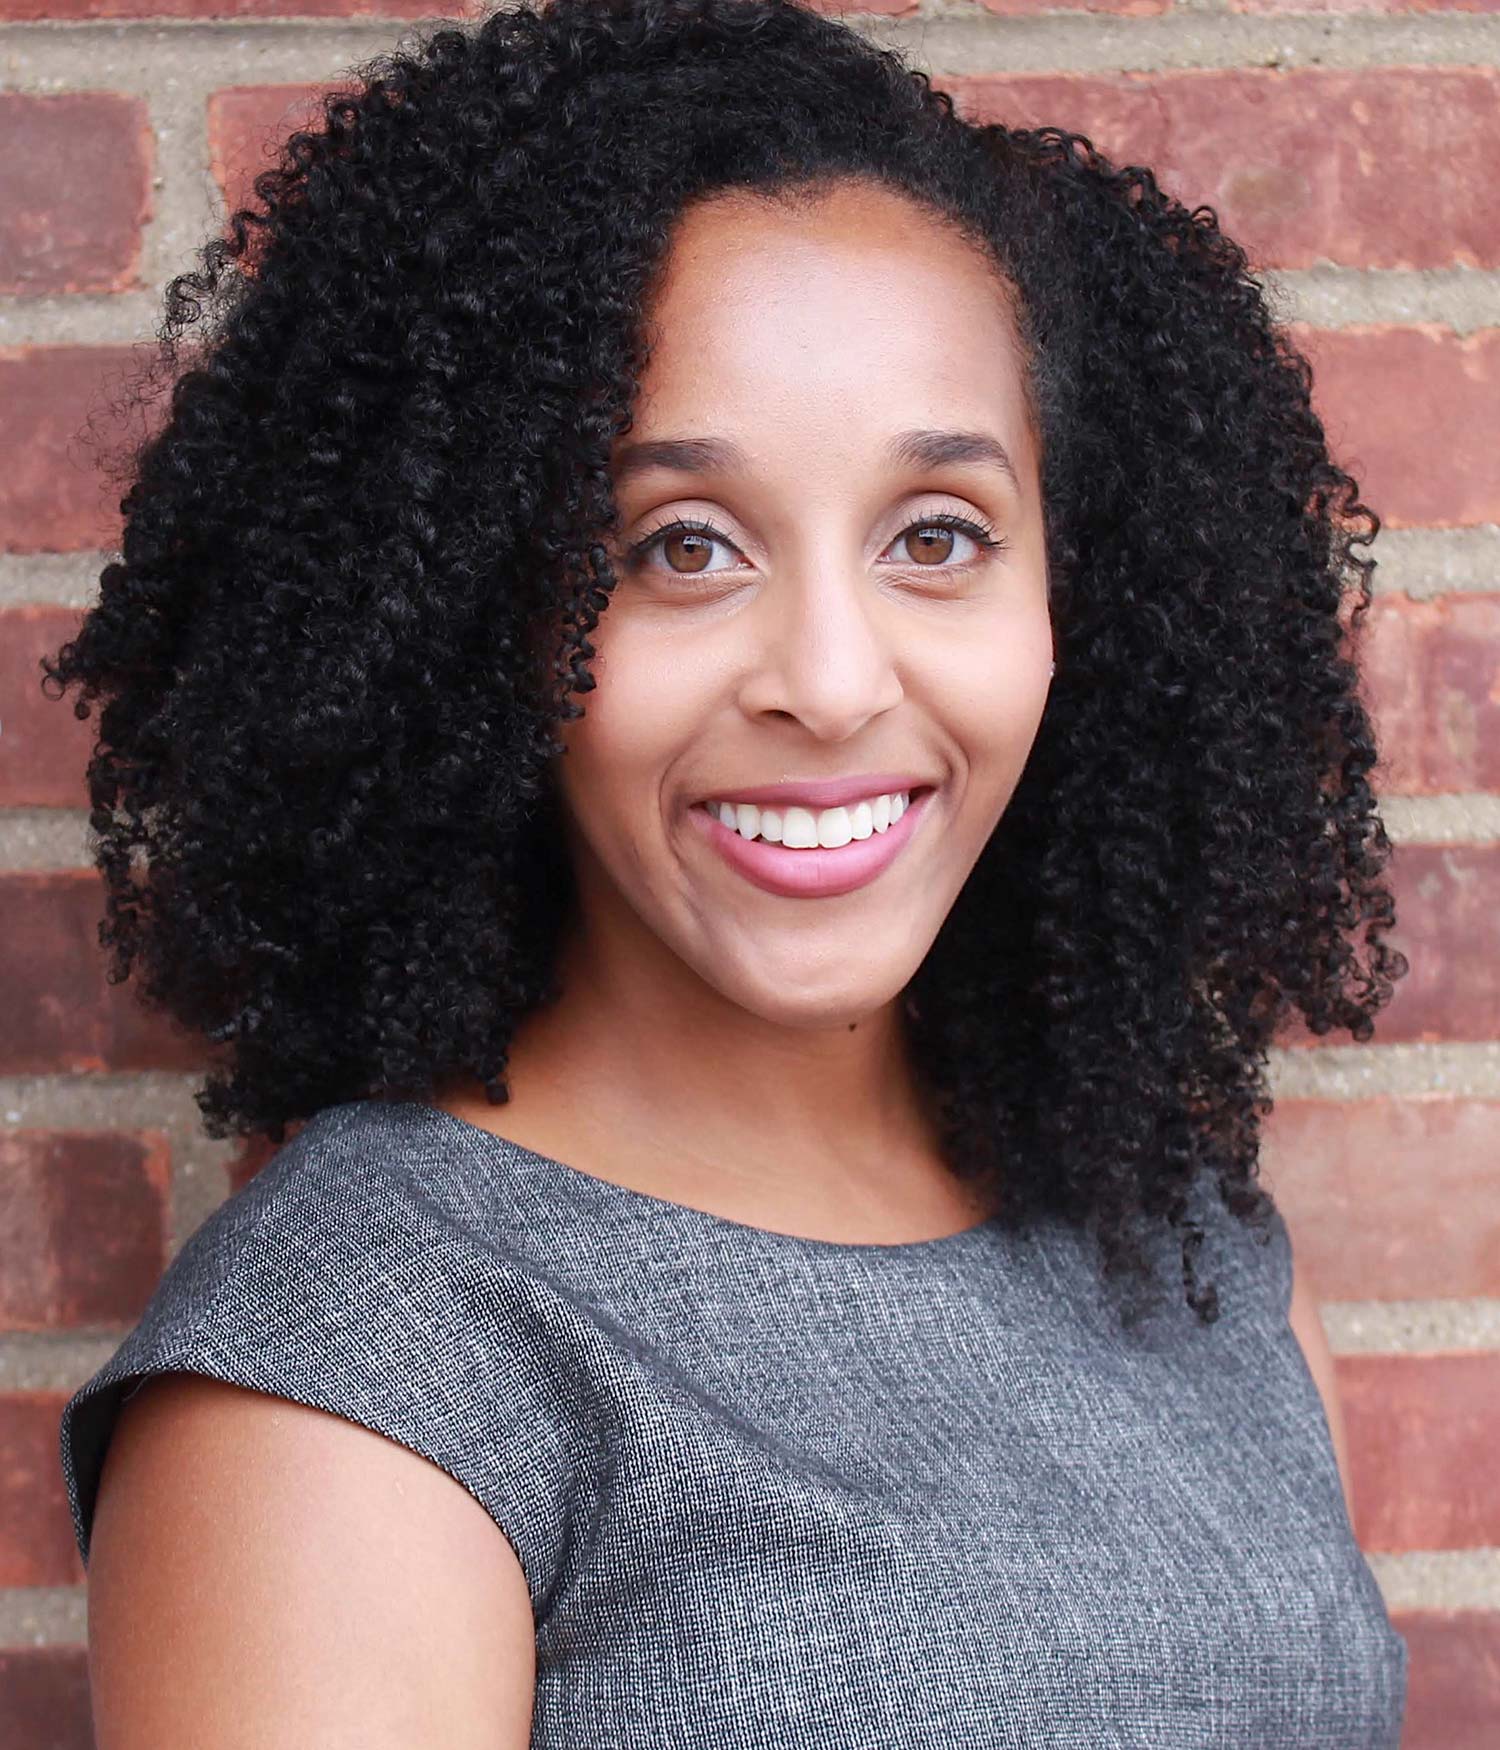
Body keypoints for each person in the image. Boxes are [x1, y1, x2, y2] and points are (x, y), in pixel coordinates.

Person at [44, 0, 1410, 1741]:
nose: (834, 681)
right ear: (481, 612)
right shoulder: (364, 1361)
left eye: (938, 537)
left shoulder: (1197, 1254)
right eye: (681, 547)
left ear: (1080, 600)